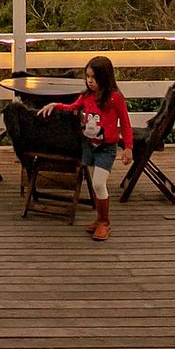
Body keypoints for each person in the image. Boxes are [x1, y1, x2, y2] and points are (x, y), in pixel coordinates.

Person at [38, 55, 132, 241]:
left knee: (98, 183)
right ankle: (99, 219)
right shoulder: (87, 96)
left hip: (106, 147)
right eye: (87, 76)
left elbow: (126, 123)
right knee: (96, 183)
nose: (90, 81)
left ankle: (104, 222)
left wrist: (128, 147)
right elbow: (72, 107)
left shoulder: (115, 98)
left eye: (94, 77)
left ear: (105, 77)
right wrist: (55, 105)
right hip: (89, 145)